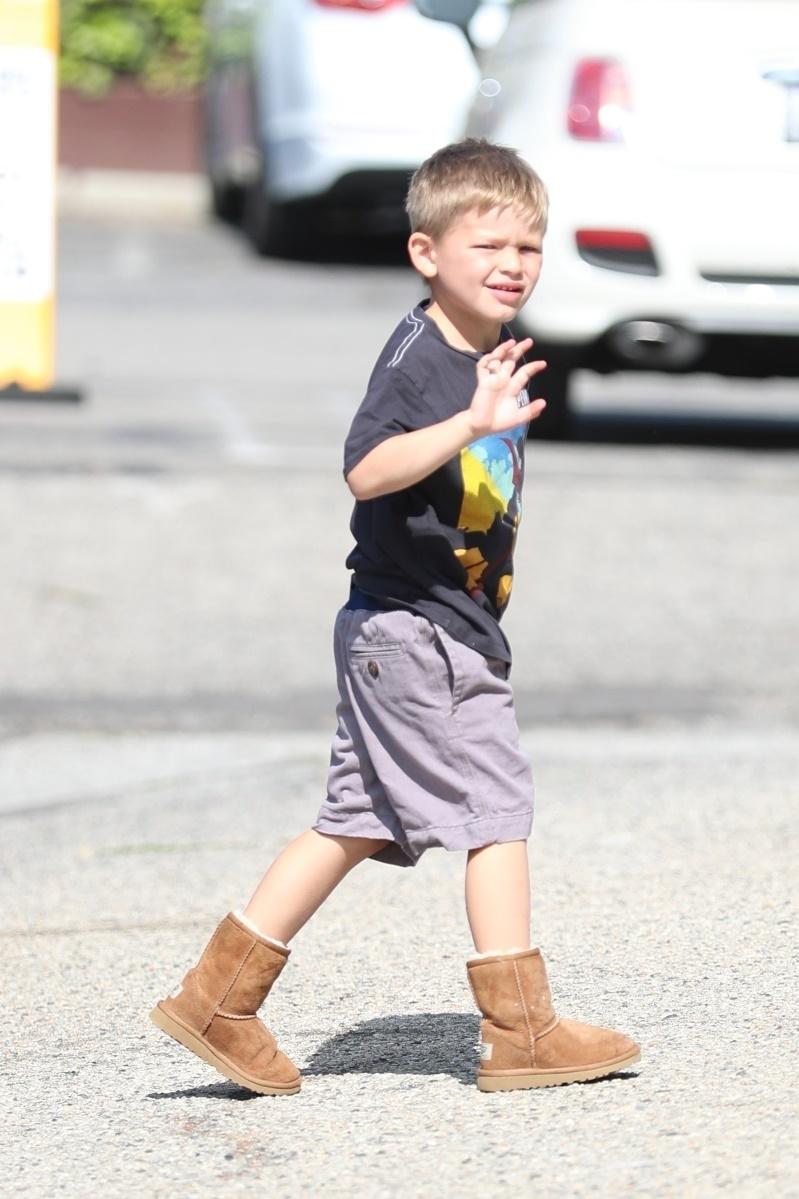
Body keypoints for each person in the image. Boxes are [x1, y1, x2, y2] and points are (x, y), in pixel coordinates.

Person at [150, 138, 641, 1094]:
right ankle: (522, 1030)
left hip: (402, 628)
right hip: (421, 634)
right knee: (496, 811)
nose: (511, 266)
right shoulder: (422, 362)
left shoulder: (477, 352)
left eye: (529, 249)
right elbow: (365, 469)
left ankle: (218, 1000)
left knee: (354, 817)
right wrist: (468, 423)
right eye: (487, 246)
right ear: (427, 254)